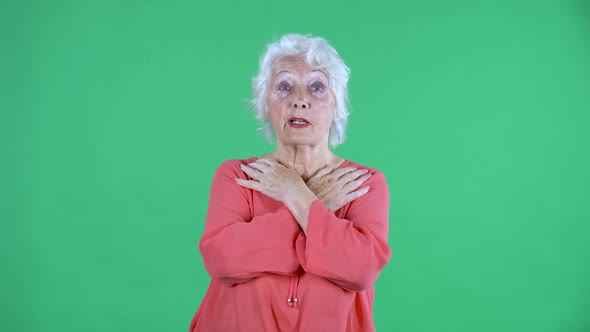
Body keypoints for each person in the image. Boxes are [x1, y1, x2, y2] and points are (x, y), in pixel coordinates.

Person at [189, 34, 392, 332]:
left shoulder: (364, 183)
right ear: (266, 104)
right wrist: (320, 210)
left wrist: (296, 194)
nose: (300, 99)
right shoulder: (237, 176)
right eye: (284, 87)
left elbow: (360, 270)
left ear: (336, 105)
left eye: (317, 88)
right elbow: (223, 261)